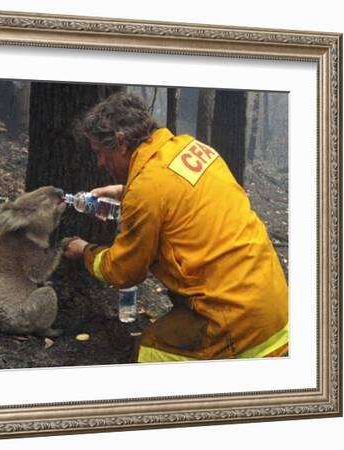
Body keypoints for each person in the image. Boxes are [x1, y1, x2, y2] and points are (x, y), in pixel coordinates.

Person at [63, 92, 288, 362]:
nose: (100, 163)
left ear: (121, 143)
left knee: (149, 352)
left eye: (101, 153)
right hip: (275, 306)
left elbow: (124, 271)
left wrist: (84, 250)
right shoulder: (190, 148)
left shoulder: (147, 189)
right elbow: (173, 194)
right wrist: (125, 192)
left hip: (235, 322)